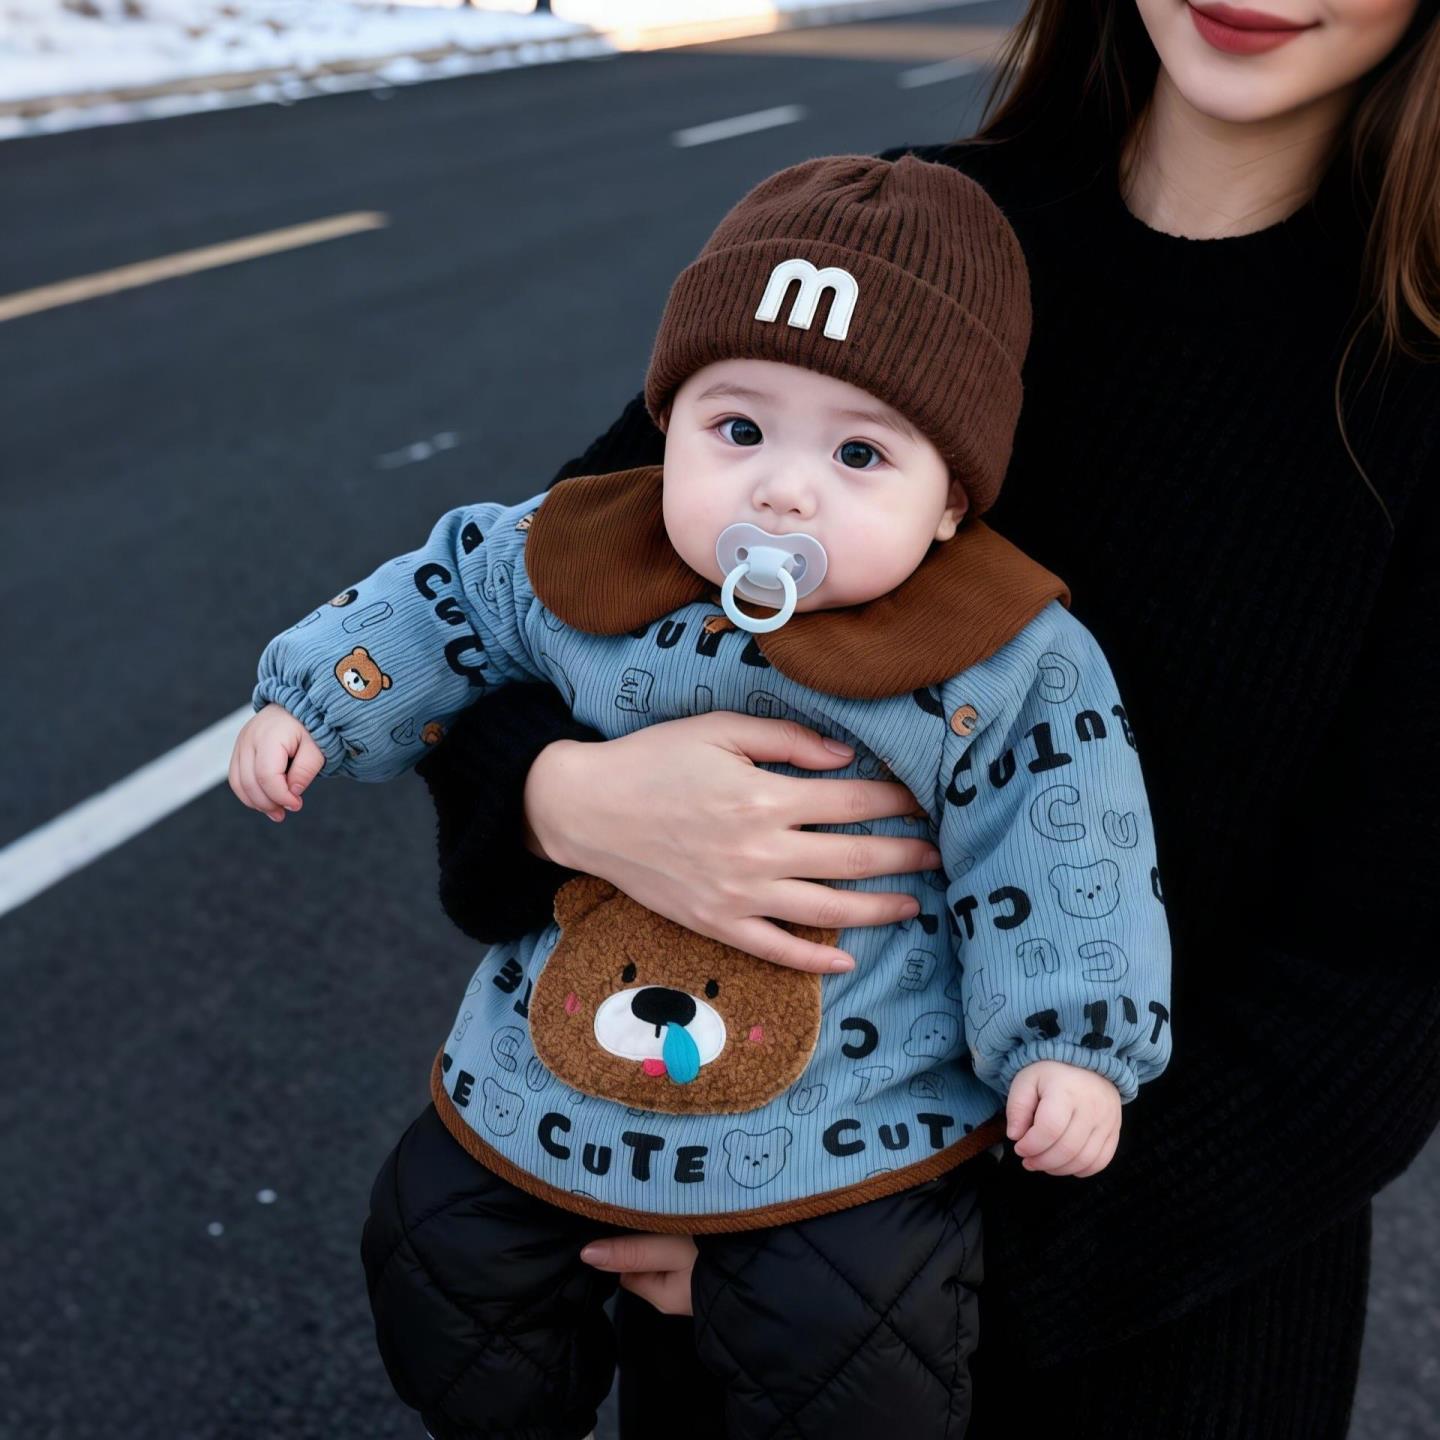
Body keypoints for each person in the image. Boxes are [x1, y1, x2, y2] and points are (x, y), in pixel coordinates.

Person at [410, 0, 1440, 1436]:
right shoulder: (893, 250)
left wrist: (899, 1269)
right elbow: (523, 608)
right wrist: (557, 797)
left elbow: (1380, 999)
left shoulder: (1413, 378)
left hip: (1153, 1332)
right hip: (722, 1237)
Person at [230, 155, 1173, 1439]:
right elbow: (444, 595)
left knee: (847, 1334)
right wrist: (319, 702)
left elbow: (1069, 845)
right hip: (549, 1071)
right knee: (435, 1242)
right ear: (667, 424)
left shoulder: (1001, 657)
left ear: (950, 500)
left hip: (849, 1109)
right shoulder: (579, 549)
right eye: (738, 430)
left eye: (858, 452)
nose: (782, 491)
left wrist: (1075, 1048)